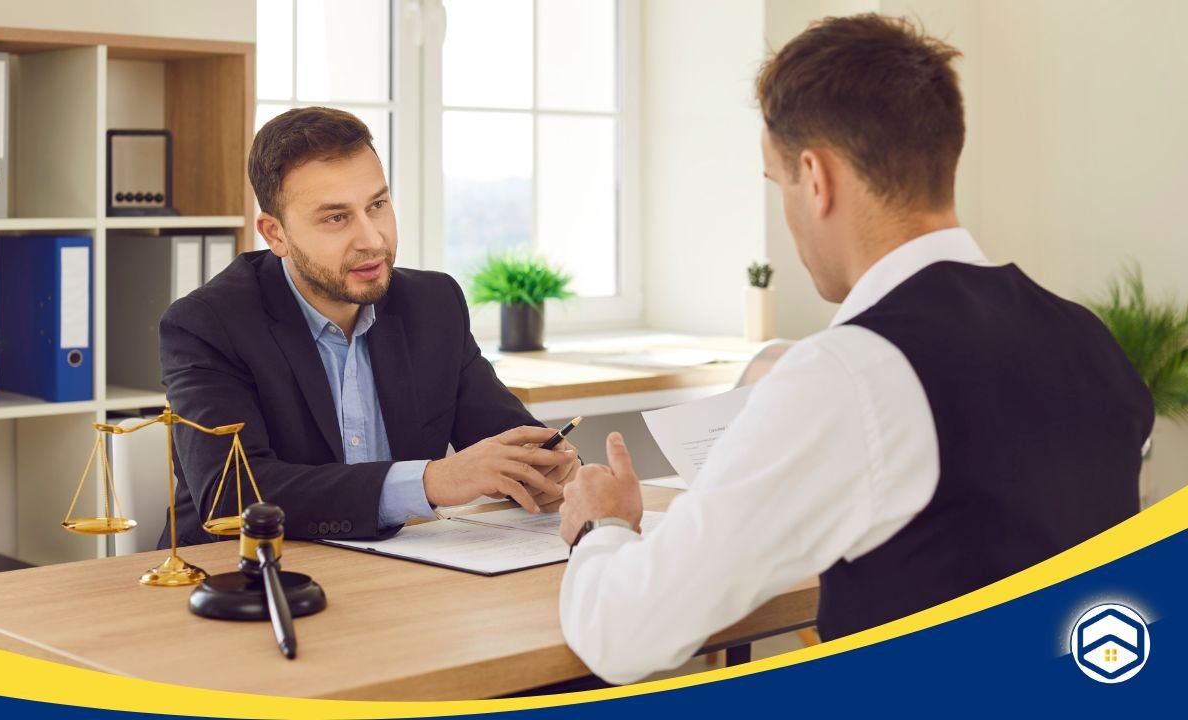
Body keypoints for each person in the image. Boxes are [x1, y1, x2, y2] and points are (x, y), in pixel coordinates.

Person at [556, 14, 1153, 684]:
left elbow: (624, 636)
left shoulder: (852, 372)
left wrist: (599, 528)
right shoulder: (1086, 338)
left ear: (816, 178)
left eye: (776, 183)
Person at [157, 107, 578, 549]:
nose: (373, 239)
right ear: (275, 233)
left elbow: (506, 439)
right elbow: (232, 496)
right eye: (336, 218)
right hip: (238, 581)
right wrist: (431, 481)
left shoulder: (433, 304)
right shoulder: (207, 324)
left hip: (393, 572)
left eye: (377, 205)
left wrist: (550, 470)